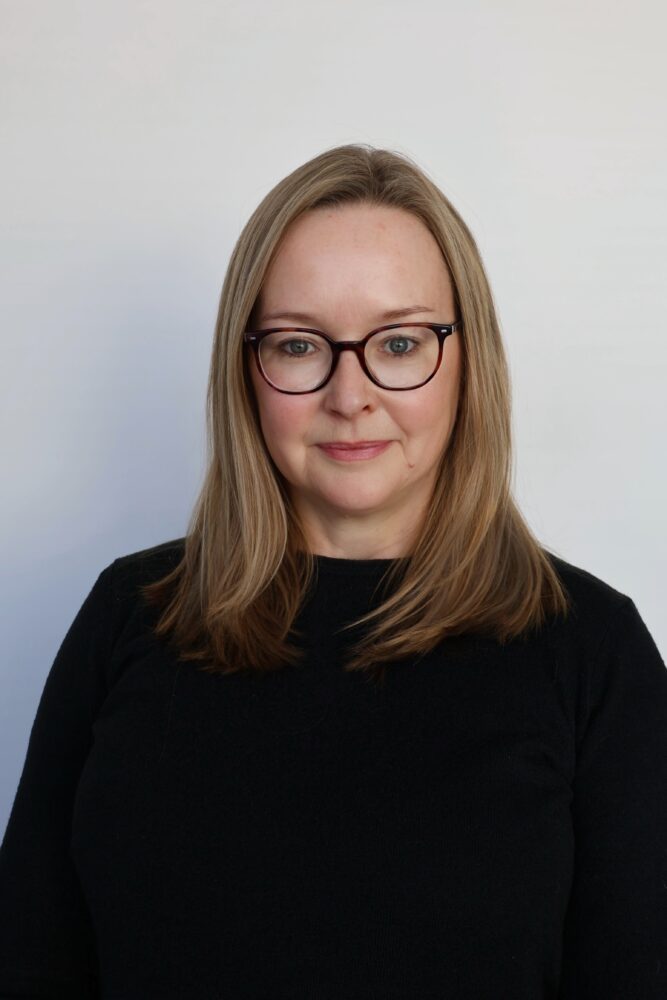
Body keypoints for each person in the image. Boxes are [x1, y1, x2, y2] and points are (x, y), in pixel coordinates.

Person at [0, 143, 665, 999]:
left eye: (399, 342)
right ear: (246, 366)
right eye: (298, 344)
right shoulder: (131, 615)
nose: (349, 397)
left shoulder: (591, 650)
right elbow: (30, 961)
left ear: (468, 361)